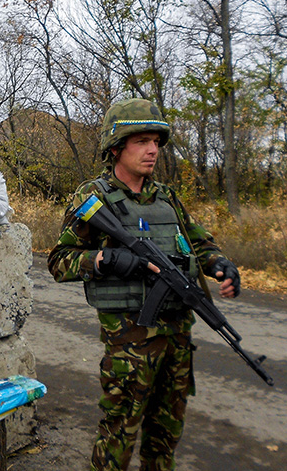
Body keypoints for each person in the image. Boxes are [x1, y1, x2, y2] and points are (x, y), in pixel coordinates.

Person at [47, 98, 241, 471]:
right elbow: (58, 261)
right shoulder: (93, 198)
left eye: (155, 141)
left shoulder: (167, 197)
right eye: (141, 142)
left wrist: (221, 265)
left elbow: (199, 243)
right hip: (129, 344)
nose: (152, 150)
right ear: (116, 147)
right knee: (118, 435)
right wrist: (106, 260)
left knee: (165, 437)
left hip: (177, 338)